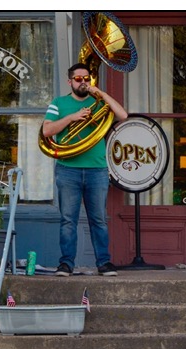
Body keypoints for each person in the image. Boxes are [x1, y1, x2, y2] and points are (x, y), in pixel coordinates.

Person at [42, 63, 128, 277]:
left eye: (86, 78)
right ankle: (66, 264)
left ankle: (104, 263)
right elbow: (47, 130)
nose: (83, 82)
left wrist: (100, 93)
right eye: (78, 79)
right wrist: (72, 118)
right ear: (70, 81)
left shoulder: (98, 102)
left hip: (96, 169)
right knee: (68, 220)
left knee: (98, 219)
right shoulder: (59, 103)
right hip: (67, 169)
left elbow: (123, 115)